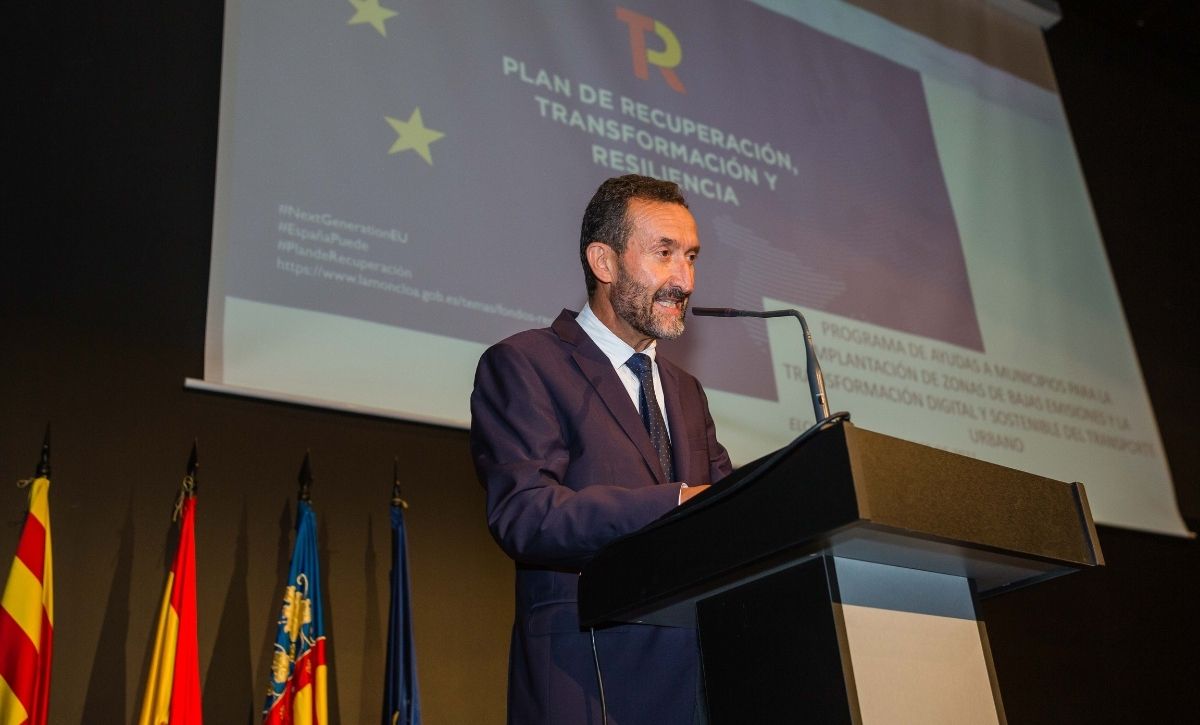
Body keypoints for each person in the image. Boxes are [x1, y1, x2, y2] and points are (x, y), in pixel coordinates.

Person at [470, 175, 733, 724]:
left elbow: (728, 510)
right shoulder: (526, 364)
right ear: (604, 262)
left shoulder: (687, 391)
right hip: (587, 683)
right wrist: (675, 504)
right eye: (664, 253)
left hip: (696, 688)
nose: (684, 279)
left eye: (691, 257)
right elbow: (526, 514)